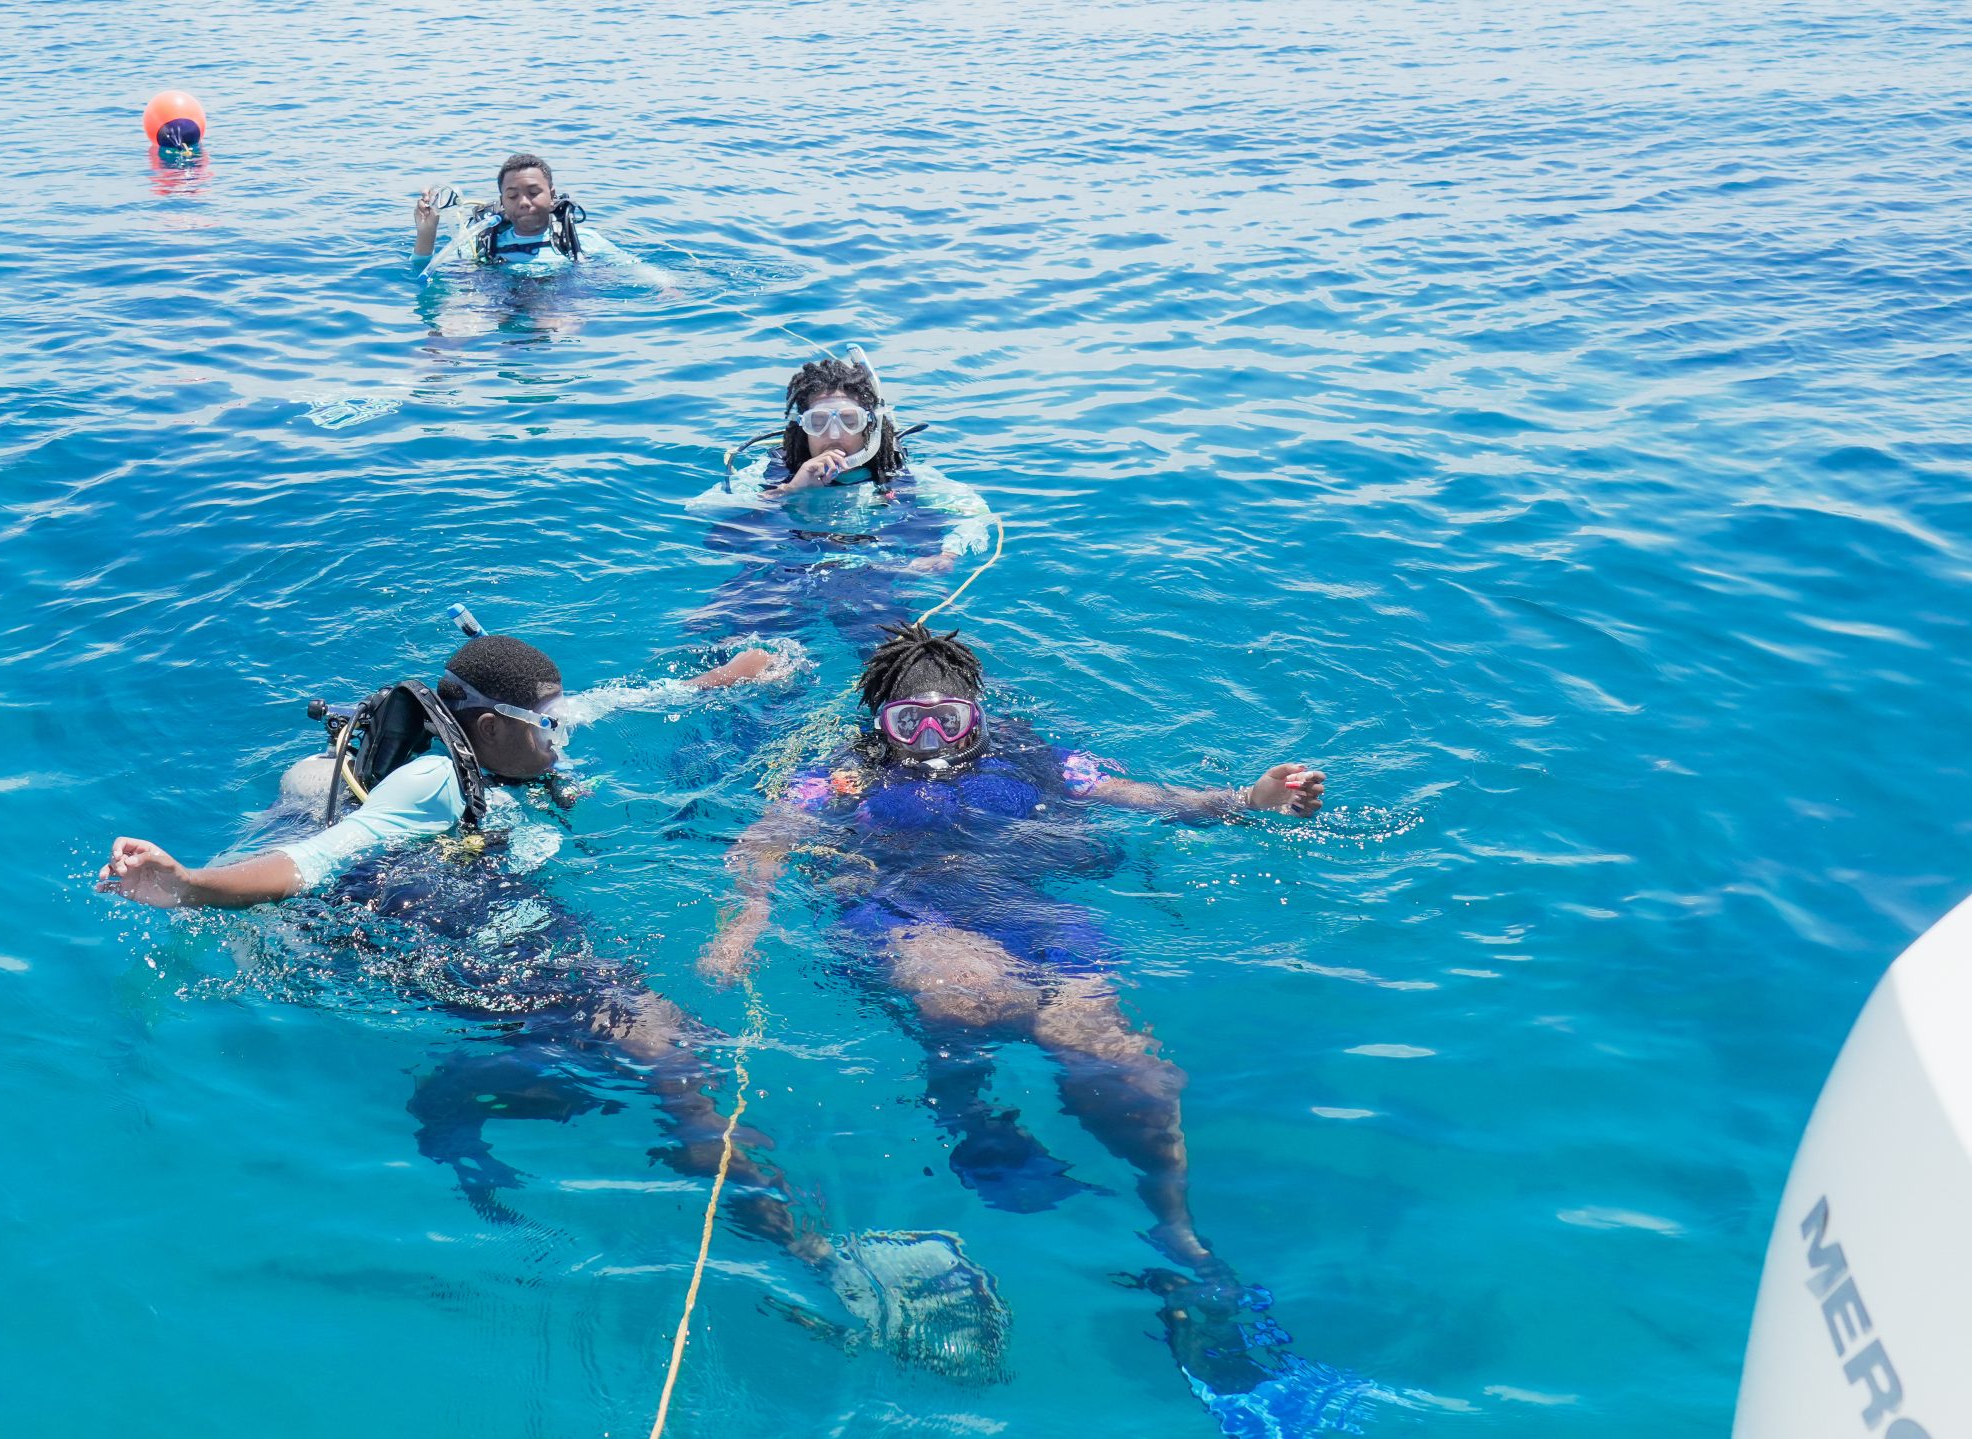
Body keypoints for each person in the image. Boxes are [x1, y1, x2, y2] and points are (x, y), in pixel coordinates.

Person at [100, 631, 1009, 1377]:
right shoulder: (429, 784)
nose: (561, 736)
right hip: (486, 934)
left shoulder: (507, 740)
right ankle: (819, 1262)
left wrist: (727, 676)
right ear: (489, 728)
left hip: (505, 916)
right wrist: (189, 885)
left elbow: (612, 702)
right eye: (545, 725)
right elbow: (314, 861)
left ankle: (480, 1092)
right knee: (675, 1055)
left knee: (664, 1053)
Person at [699, 622, 1324, 1295]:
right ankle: (970, 1113)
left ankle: (1176, 1230)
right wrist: (746, 919)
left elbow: (1156, 798)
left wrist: (1251, 800)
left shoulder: (1035, 758)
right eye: (911, 724)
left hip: (1030, 913)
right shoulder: (843, 776)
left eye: (949, 720)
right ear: (882, 722)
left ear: (977, 716)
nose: (932, 739)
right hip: (903, 909)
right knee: (969, 990)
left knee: (1124, 1066)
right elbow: (763, 842)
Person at [685, 355, 994, 656]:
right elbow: (700, 508)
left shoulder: (899, 475)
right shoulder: (775, 472)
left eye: (849, 420)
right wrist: (788, 491)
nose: (834, 435)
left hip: (869, 578)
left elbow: (978, 514)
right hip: (784, 573)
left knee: (905, 661)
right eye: (818, 422)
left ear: (870, 425)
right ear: (800, 427)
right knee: (720, 644)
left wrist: (950, 551)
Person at [412, 153, 647, 279]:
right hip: (496, 300)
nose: (524, 203)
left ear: (552, 195)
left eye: (534, 193)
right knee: (444, 338)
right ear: (502, 201)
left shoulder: (583, 241)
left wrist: (667, 287)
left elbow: (634, 267)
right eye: (513, 196)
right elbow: (424, 272)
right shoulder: (480, 245)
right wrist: (426, 233)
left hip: (558, 301)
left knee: (556, 326)